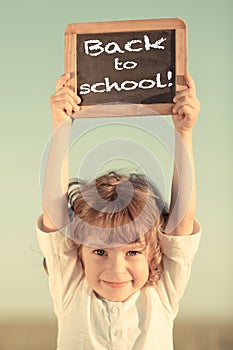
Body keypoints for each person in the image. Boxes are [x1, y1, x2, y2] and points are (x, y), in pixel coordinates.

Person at [37, 72, 201, 349]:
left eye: (133, 252)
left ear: (154, 256)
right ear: (79, 254)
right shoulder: (71, 287)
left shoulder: (161, 293)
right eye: (99, 252)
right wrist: (61, 126)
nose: (116, 269)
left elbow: (181, 220)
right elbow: (54, 211)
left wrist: (183, 133)